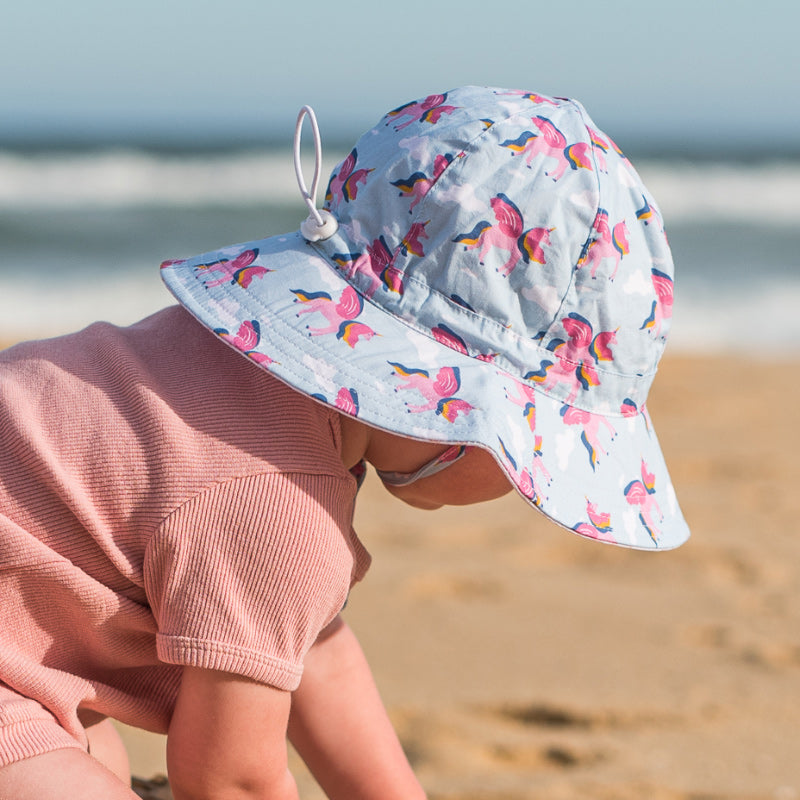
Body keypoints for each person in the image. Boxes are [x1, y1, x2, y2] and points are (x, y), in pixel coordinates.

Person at [0, 86, 690, 799]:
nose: (521, 491)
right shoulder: (277, 501)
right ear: (461, 415)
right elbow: (230, 779)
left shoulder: (218, 378)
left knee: (89, 760)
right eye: (532, 464)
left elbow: (310, 650)